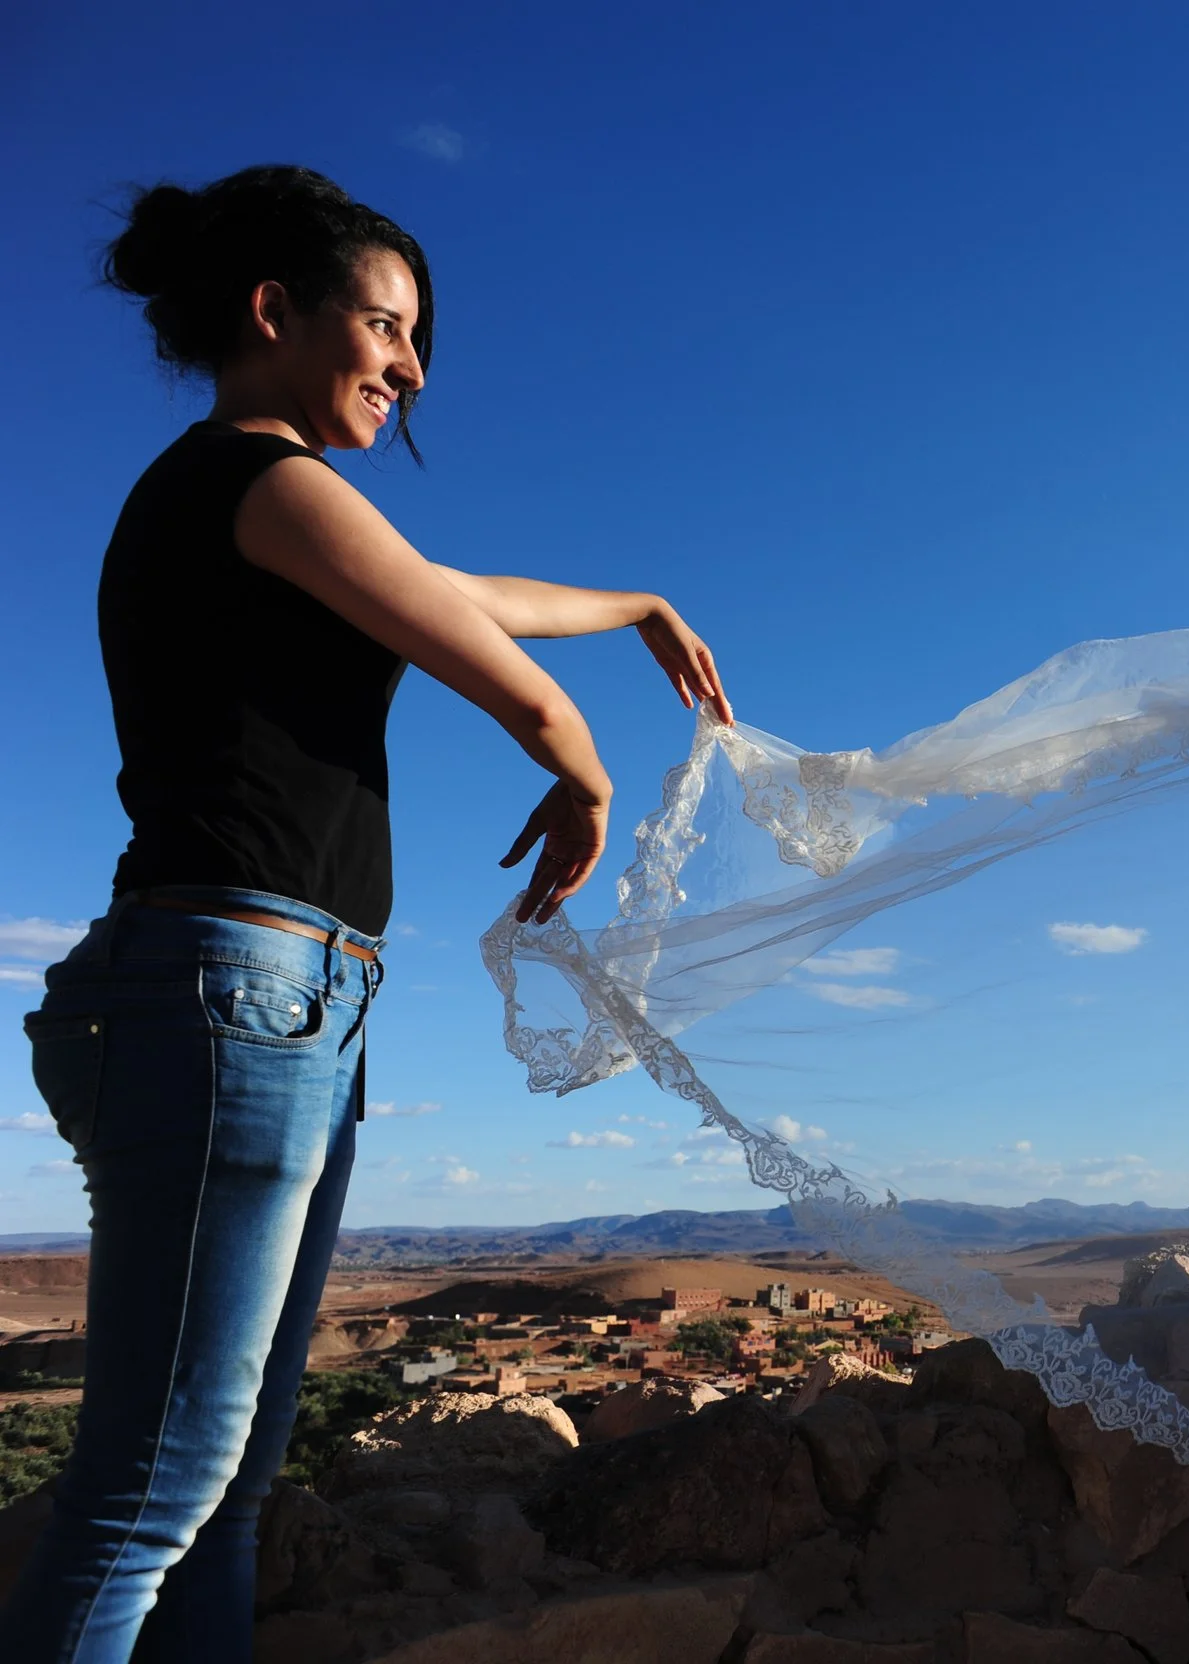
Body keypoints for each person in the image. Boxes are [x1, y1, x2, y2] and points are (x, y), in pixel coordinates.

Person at [4, 165, 731, 1664]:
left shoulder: (268, 512)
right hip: (230, 993)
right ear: (275, 311)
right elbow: (499, 670)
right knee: (154, 1491)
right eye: (388, 328)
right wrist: (580, 765)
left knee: (229, 1482)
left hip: (273, 1005)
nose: (409, 369)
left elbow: (468, 596)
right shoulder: (252, 484)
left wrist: (640, 604)